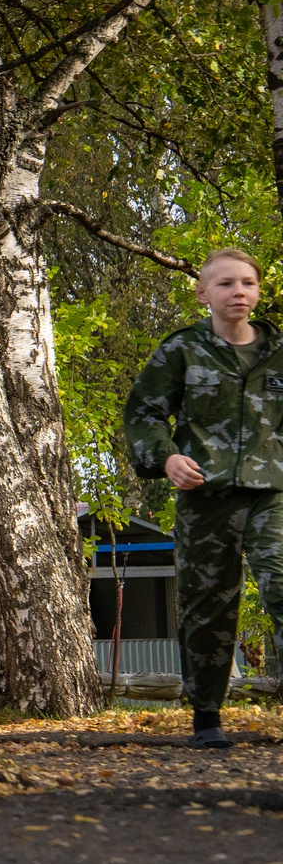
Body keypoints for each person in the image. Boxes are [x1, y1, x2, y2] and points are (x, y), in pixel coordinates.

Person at [123, 248, 283, 748]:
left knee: (282, 585)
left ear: (259, 291)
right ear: (203, 294)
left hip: (271, 494)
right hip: (205, 497)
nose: (239, 292)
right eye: (226, 284)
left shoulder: (279, 352)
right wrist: (166, 458)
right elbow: (145, 413)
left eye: (248, 283)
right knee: (207, 606)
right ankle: (207, 717)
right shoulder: (182, 350)